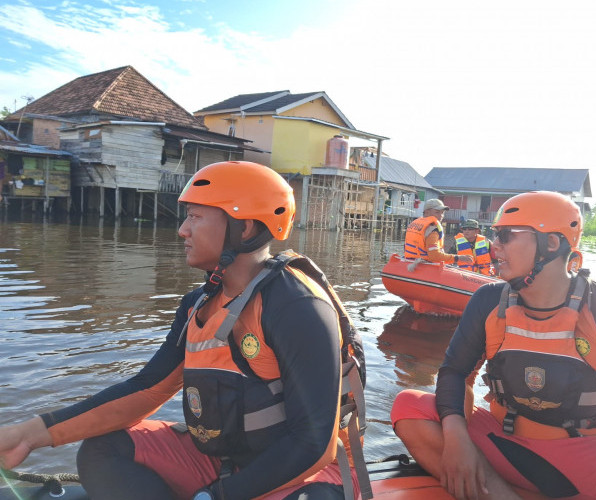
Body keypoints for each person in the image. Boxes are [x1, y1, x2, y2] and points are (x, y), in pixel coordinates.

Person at [0, 161, 368, 500]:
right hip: (224, 458)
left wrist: (215, 496)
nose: (182, 230)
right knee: (103, 448)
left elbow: (313, 445)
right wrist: (28, 435)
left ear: (246, 227)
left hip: (304, 474)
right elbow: (146, 391)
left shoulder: (297, 306)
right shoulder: (198, 303)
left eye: (195, 217)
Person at [391, 191, 596, 500]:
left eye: (506, 235)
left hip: (591, 456)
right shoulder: (487, 301)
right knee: (410, 406)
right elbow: (455, 373)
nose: (494, 244)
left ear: (552, 243)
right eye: (495, 235)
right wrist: (457, 438)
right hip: (508, 443)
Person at [405, 199, 473, 266]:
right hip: (424, 266)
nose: (441, 215)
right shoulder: (433, 230)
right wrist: (458, 258)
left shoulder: (415, 224)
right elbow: (434, 256)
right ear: (427, 212)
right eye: (437, 212)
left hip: (411, 262)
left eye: (442, 212)